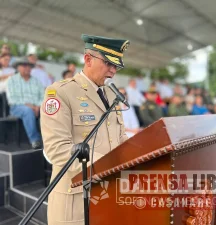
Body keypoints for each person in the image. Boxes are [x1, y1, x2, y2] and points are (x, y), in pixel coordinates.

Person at [41, 34, 130, 225]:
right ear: (88, 59)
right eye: (108, 63)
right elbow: (57, 148)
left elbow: (120, 139)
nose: (113, 71)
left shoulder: (111, 94)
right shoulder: (60, 92)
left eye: (117, 66)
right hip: (76, 200)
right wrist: (109, 167)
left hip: (108, 193)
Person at [6, 58, 44, 149]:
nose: (27, 68)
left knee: (51, 110)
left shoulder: (36, 81)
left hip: (36, 107)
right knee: (27, 110)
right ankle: (35, 140)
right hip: (17, 107)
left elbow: (43, 96)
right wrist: (30, 106)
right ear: (18, 68)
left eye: (29, 66)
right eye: (24, 66)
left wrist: (38, 106)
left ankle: (53, 140)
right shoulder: (12, 80)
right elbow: (12, 99)